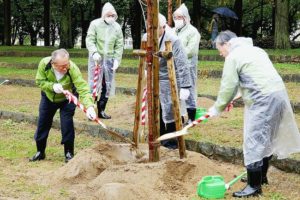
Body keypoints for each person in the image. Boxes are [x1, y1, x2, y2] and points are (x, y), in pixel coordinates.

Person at [208, 30, 300, 198]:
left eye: (219, 49)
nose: (220, 54)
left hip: (263, 100)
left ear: (227, 44)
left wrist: (217, 108)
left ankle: (254, 186)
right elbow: (256, 77)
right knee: (266, 138)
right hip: (278, 95)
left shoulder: (233, 57)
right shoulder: (256, 50)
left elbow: (228, 86)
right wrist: (235, 97)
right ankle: (261, 177)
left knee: (253, 140)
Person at [30, 49, 97, 163]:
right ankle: (40, 151)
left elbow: (83, 87)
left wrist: (90, 106)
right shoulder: (44, 64)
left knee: (67, 123)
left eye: (67, 64)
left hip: (68, 99)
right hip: (49, 98)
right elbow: (39, 81)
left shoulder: (73, 68)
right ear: (53, 64)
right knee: (43, 123)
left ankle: (68, 152)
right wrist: (52, 86)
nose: (66, 68)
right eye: (62, 66)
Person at [143, 14, 191, 149]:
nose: (150, 31)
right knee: (154, 106)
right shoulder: (145, 38)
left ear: (163, 27)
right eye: (149, 27)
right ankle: (159, 135)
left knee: (169, 108)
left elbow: (182, 63)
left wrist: (185, 86)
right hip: (153, 77)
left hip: (169, 77)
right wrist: (146, 69)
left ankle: (171, 140)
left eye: (154, 28)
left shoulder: (173, 40)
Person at [86, 2, 124, 119]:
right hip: (96, 59)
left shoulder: (117, 27)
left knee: (106, 85)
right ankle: (90, 109)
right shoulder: (95, 24)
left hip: (109, 60)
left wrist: (117, 59)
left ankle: (101, 110)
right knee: (94, 84)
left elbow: (119, 44)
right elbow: (90, 39)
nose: (111, 17)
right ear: (103, 14)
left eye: (113, 15)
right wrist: (94, 52)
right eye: (109, 15)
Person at [173, 3, 201, 124]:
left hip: (188, 66)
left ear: (185, 18)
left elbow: (191, 50)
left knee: (189, 90)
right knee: (176, 90)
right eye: (176, 17)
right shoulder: (173, 31)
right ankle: (179, 114)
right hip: (174, 65)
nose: (177, 20)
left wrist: (177, 55)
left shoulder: (193, 32)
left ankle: (191, 117)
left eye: (180, 18)